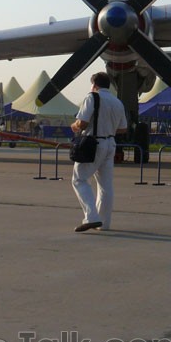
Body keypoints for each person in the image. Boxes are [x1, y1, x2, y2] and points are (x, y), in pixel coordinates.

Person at [71, 72, 128, 233]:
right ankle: (104, 222)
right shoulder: (117, 102)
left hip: (94, 143)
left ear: (94, 84)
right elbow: (123, 128)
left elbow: (82, 123)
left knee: (79, 179)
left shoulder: (92, 97)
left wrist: (74, 126)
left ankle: (91, 217)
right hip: (111, 143)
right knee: (105, 185)